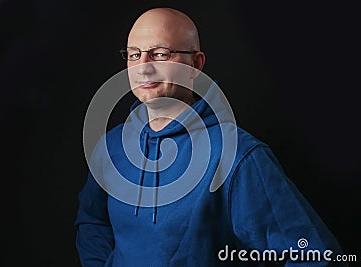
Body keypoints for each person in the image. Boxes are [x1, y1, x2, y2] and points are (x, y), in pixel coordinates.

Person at [74, 7, 345, 266]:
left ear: (195, 64)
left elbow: (312, 255)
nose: (142, 67)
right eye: (134, 55)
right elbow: (92, 220)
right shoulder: (112, 147)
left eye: (159, 53)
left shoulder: (236, 157)